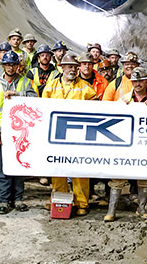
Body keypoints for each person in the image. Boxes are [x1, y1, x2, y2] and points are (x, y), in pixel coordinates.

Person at [105, 67, 147, 222]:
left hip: (146, 145)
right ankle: (112, 210)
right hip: (126, 144)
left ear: (146, 81)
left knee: (144, 177)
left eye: (140, 81)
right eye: (134, 81)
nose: (137, 84)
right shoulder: (123, 100)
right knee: (117, 177)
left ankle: (142, 208)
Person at [43, 54, 97, 216]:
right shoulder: (51, 86)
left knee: (79, 169)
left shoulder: (84, 87)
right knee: (58, 168)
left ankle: (82, 203)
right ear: (62, 68)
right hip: (57, 135)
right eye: (69, 66)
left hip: (78, 135)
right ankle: (59, 199)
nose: (73, 69)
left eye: (74, 66)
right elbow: (43, 107)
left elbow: (95, 105)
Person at [0, 51, 37, 214]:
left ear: (18, 66)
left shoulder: (25, 82)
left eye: (13, 64)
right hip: (1, 132)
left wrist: (17, 95)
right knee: (1, 167)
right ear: (3, 66)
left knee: (18, 166)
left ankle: (18, 198)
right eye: (7, 64)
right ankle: (4, 200)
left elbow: (34, 100)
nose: (10, 67)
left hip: (21, 133)